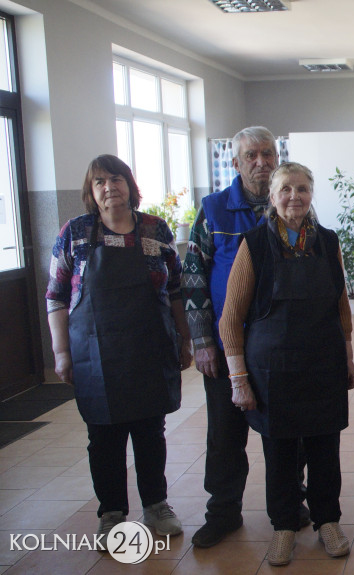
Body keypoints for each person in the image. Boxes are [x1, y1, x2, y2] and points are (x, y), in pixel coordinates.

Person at [46, 154, 191, 546]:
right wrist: (61, 352)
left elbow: (175, 289)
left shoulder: (155, 229)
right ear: (91, 192)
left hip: (150, 348)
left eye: (116, 179)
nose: (109, 187)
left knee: (150, 432)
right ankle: (111, 513)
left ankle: (157, 505)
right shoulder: (75, 233)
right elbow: (56, 296)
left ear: (129, 183)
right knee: (104, 438)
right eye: (100, 182)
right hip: (95, 355)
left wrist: (185, 338)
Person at [218, 162, 354, 566]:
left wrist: (348, 357)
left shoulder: (327, 241)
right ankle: (283, 527)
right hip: (272, 370)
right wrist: (239, 379)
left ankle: (328, 521)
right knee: (279, 454)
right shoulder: (254, 244)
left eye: (302, 188)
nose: (294, 196)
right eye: (285, 189)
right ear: (272, 196)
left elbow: (341, 308)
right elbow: (230, 319)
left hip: (323, 363)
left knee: (325, 450)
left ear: (311, 194)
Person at [183, 126, 308, 548]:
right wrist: (202, 342)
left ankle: (292, 506)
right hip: (227, 348)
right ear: (235, 163)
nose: (261, 162)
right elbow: (194, 279)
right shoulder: (214, 211)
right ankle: (223, 512)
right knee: (225, 436)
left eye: (268, 154)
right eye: (251, 155)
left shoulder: (295, 210)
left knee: (289, 432)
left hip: (283, 350)